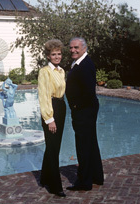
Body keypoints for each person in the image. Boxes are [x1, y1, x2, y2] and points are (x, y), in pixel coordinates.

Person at [65, 37, 104, 191]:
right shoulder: (78, 63)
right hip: (85, 109)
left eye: (76, 47)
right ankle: (96, 177)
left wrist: (75, 106)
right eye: (71, 48)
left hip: (84, 110)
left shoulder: (85, 65)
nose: (73, 50)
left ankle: (84, 182)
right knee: (90, 143)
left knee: (83, 146)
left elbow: (88, 92)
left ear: (84, 48)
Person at [38, 39, 67, 197]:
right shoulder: (45, 72)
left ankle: (44, 178)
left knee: (53, 146)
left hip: (61, 108)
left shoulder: (61, 71)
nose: (57, 57)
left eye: (59, 54)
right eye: (54, 54)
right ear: (48, 56)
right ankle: (55, 186)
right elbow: (44, 96)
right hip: (51, 110)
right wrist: (50, 119)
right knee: (53, 147)